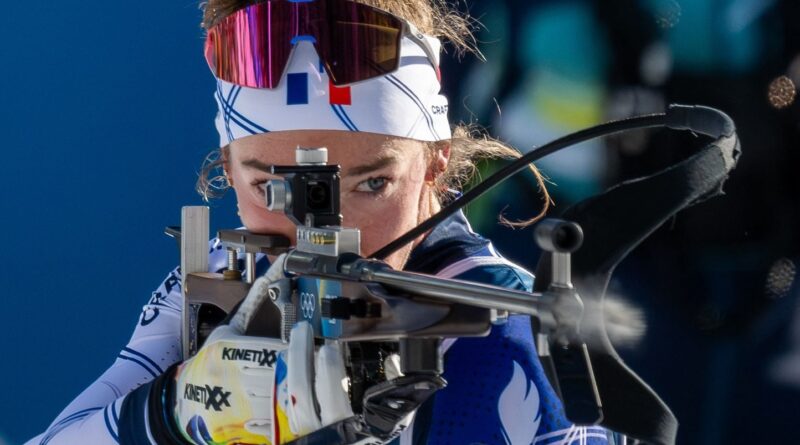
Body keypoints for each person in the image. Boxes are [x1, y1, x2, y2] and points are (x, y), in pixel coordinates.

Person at [26, 1, 611, 444]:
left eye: (370, 184)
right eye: (272, 188)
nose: (320, 233)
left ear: (436, 161)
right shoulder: (220, 282)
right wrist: (176, 413)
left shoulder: (499, 334)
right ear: (227, 169)